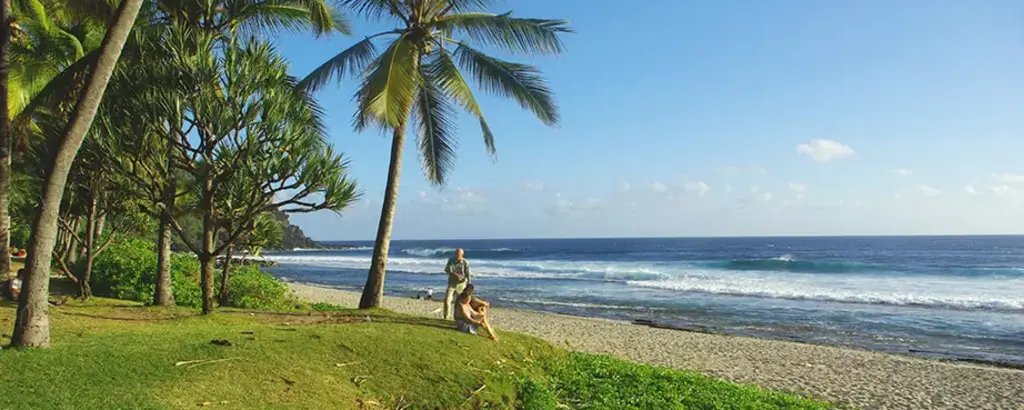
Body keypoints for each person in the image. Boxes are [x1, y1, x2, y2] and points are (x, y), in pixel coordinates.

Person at [443, 248, 471, 320]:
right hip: (452, 283)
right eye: (456, 254)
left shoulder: (465, 262)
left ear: (462, 254)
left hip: (461, 285)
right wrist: (456, 275)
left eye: (458, 254)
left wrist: (469, 282)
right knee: (447, 300)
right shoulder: (451, 260)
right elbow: (447, 270)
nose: (456, 255)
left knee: (461, 302)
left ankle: (460, 318)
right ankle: (446, 317)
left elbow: (468, 273)